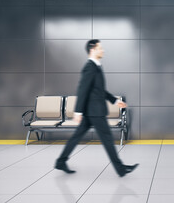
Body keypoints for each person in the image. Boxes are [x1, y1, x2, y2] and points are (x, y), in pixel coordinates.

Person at [55, 39, 138, 177]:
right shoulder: (89, 67)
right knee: (107, 139)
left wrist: (115, 101)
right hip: (95, 112)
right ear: (92, 50)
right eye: (100, 48)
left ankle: (60, 162)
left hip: (91, 112)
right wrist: (77, 112)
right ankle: (120, 168)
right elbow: (82, 90)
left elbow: (99, 90)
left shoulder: (96, 67)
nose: (103, 50)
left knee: (77, 136)